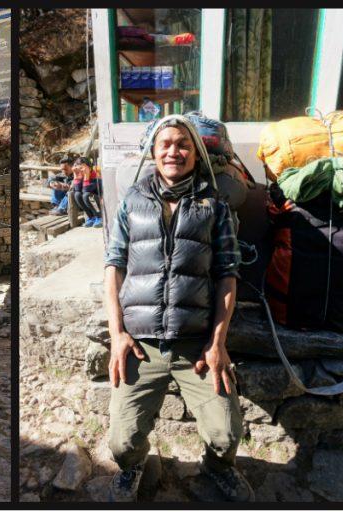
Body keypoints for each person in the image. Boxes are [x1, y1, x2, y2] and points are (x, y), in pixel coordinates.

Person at [103, 115, 251, 502]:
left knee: (226, 435)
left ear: (197, 152)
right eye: (165, 143)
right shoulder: (131, 203)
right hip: (140, 343)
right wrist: (117, 335)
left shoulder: (214, 206)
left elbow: (227, 275)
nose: (174, 151)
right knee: (120, 443)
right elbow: (113, 269)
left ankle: (216, 468)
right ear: (153, 151)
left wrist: (217, 343)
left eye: (183, 144)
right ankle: (136, 464)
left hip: (196, 345)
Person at [72, 157, 103, 227]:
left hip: (101, 202)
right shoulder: (81, 176)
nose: (81, 170)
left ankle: (100, 217)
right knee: (77, 195)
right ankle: (91, 217)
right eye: (79, 168)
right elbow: (77, 189)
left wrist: (86, 175)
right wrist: (76, 175)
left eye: (82, 168)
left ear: (89, 167)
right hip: (92, 203)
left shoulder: (95, 176)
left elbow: (86, 190)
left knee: (87, 196)